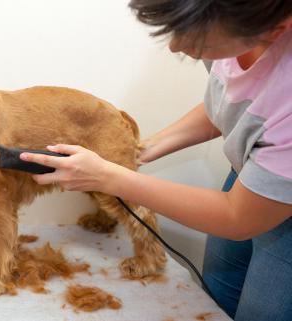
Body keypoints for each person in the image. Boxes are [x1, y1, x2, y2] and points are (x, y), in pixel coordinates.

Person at [19, 1, 292, 320]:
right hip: (255, 171)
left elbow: (238, 218)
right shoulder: (240, 31)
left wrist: (108, 178)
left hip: (274, 203)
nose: (177, 45)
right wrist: (143, 149)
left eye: (196, 40)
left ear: (276, 29)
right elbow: (232, 105)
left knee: (262, 311)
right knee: (220, 280)